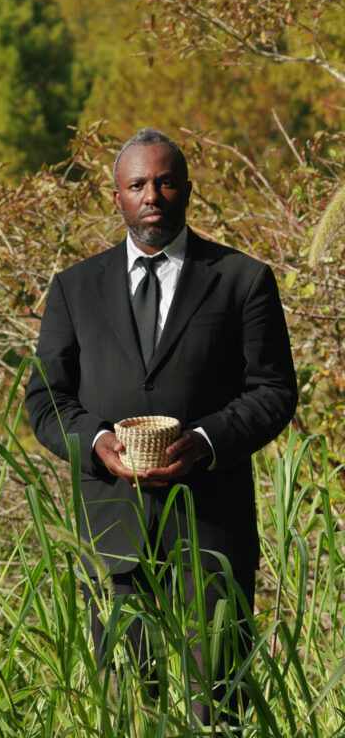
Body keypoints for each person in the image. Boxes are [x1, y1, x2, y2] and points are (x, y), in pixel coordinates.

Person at [26, 127, 298, 724]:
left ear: (188, 191)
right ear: (117, 197)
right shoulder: (74, 289)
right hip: (112, 528)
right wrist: (98, 444)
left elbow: (274, 391)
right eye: (138, 184)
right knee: (127, 711)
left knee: (219, 707)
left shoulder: (242, 280)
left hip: (212, 529)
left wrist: (203, 445)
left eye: (166, 181)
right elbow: (45, 401)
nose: (153, 194)